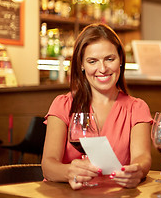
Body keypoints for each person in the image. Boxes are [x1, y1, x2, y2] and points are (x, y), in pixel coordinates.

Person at [41, 23, 152, 190]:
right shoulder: (63, 105)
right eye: (92, 61)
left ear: (121, 60)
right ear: (81, 65)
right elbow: (48, 165)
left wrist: (137, 171)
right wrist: (68, 172)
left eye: (109, 59)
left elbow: (142, 158)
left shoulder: (137, 108)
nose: (102, 69)